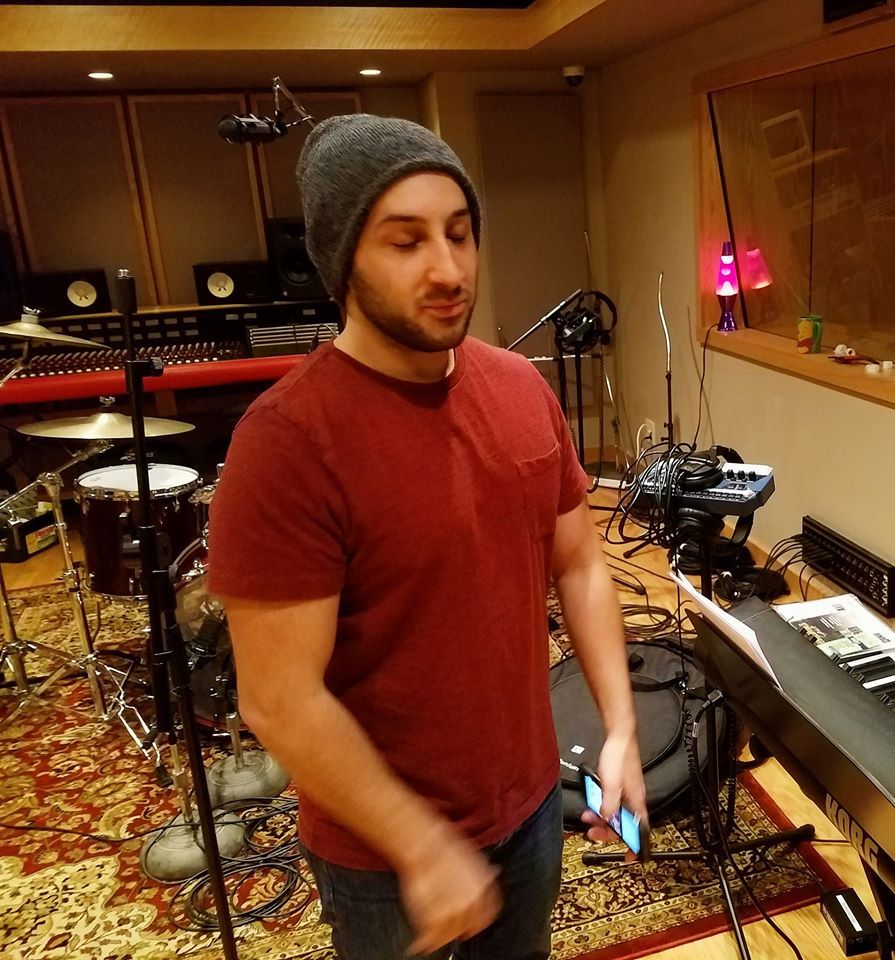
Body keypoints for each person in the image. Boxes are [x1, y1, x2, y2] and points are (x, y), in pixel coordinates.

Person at [208, 113, 646, 960]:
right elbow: (278, 698)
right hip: (382, 856)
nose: (448, 269)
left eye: (458, 233)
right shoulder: (286, 443)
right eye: (405, 242)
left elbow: (580, 564)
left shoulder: (519, 387)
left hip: (528, 807)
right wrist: (418, 845)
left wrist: (620, 727)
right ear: (343, 261)